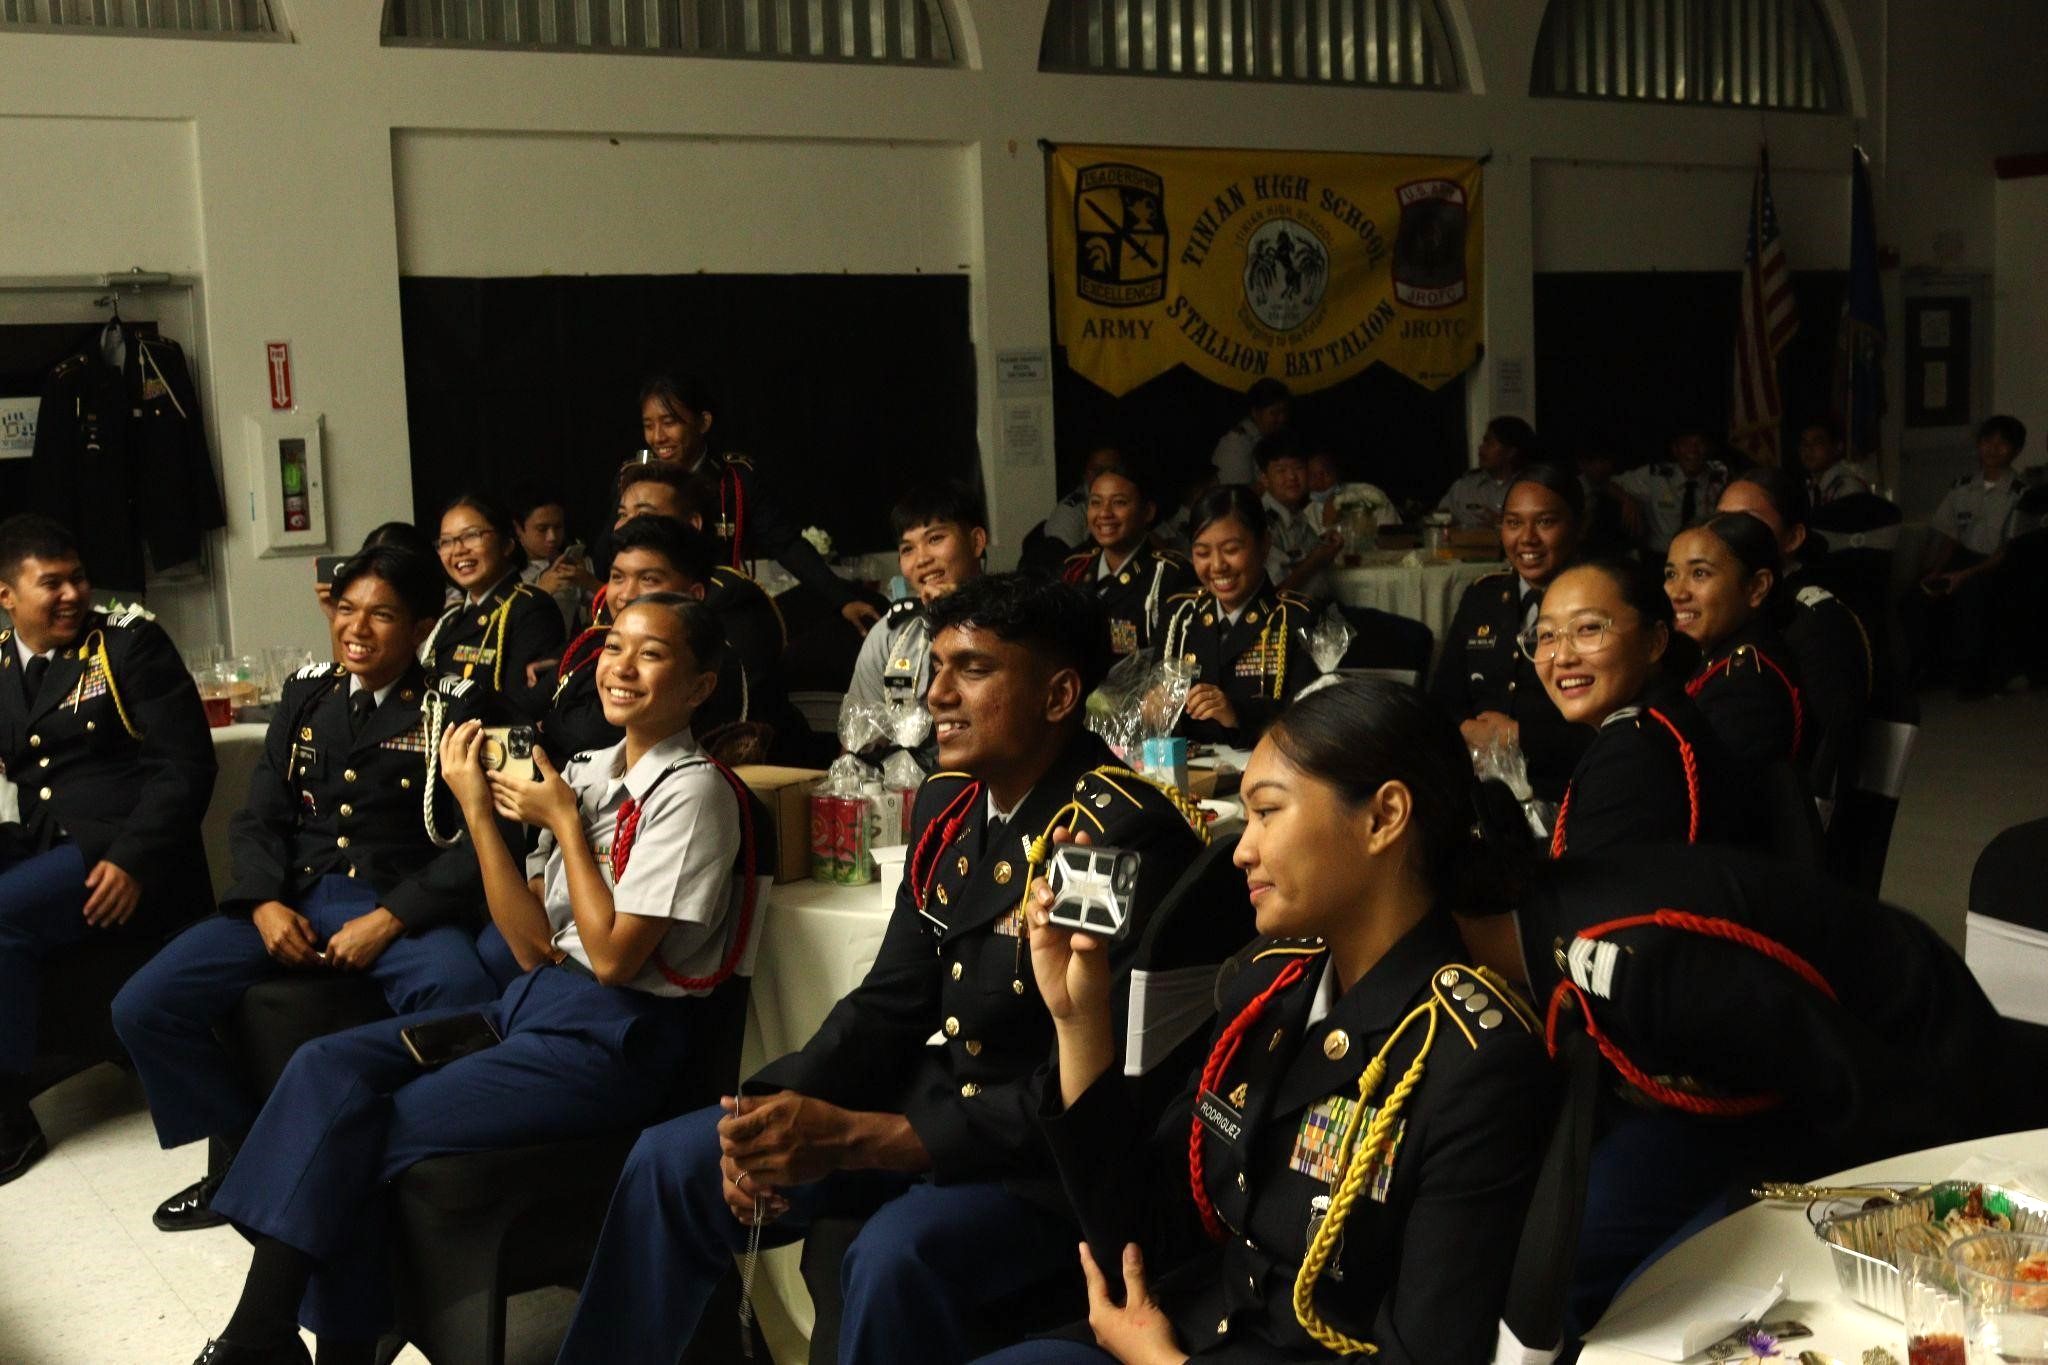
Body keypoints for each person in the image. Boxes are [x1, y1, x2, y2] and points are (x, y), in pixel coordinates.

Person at [553, 573, 1208, 1365]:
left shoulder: (1113, 835)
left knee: (893, 1253)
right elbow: (890, 1002)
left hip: (1049, 1165)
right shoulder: (950, 803)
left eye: (971, 669)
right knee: (675, 1158)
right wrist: (769, 1108)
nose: (936, 695)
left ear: (1060, 693)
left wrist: (871, 1138)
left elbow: (1099, 1092)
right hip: (939, 1105)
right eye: (935, 668)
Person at [188, 594, 759, 1365]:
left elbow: (618, 957)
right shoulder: (586, 771)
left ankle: (306, 1344)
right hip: (535, 1003)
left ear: (697, 686)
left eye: (651, 654)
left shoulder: (694, 790)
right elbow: (529, 946)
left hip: (615, 1038)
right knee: (324, 1065)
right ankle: (265, 1331)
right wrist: (482, 815)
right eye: (614, 647)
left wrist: (560, 823)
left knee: (363, 1127)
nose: (620, 667)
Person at [973, 680, 1551, 1364]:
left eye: (1266, 813)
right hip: (1190, 1323)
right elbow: (1143, 1231)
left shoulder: (1473, 1061)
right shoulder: (1268, 986)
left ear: (1384, 816)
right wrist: (1078, 1021)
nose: (1242, 850)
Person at [1463, 843, 2018, 1338]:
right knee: (1552, 1265)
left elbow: (1857, 1084)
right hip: (1744, 1089)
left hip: (1902, 1078)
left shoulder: (1635, 960)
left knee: (1653, 1311)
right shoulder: (1545, 936)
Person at [112, 545, 500, 1232]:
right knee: (144, 1004)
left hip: (400, 902)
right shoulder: (308, 692)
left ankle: (414, 1174)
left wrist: (390, 918)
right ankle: (248, 1156)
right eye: (346, 609)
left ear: (419, 627)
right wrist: (262, 902)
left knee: (461, 996)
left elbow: (482, 842)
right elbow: (260, 814)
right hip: (292, 893)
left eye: (381, 614)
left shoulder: (457, 704)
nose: (356, 627)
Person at [0, 513, 217, 1185]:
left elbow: (186, 766)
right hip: (47, 842)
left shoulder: (128, 645)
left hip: (118, 853)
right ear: (7, 594)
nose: (71, 594)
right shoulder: (5, 662)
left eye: (79, 578)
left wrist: (133, 859)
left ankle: (7, 1116)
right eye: (51, 583)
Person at [545, 515, 802, 767]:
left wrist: (550, 723)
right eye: (617, 577)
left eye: (648, 579)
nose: (626, 595)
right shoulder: (599, 640)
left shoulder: (706, 658)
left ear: (693, 595)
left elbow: (594, 734)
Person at [639, 370, 881, 635]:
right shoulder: (636, 482)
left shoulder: (735, 479)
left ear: (703, 422)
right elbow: (609, 554)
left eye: (669, 422)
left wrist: (841, 598)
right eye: (649, 425)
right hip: (649, 612)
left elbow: (785, 543)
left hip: (718, 615)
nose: (657, 437)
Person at [1530, 560, 1742, 857]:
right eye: (1547, 635)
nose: (1562, 657)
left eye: (1589, 628)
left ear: (1655, 641)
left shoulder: (1633, 753)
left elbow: (1593, 895)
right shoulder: (1657, 718)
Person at [1432, 463, 1592, 803]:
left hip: (1567, 788)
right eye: (1513, 523)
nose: (1527, 538)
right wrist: (1466, 729)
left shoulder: (1599, 605)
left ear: (1578, 526)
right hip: (1478, 789)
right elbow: (1443, 700)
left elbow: (1612, 725)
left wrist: (1519, 737)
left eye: (1546, 522)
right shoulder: (1482, 597)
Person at [1716, 471, 1872, 802]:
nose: (1726, 534)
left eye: (1747, 520)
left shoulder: (1814, 619)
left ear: (1793, 537)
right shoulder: (1723, 610)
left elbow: (1827, 751)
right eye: (1720, 519)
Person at [1159, 486, 1321, 748]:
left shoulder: (1297, 618)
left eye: (1231, 549)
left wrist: (1238, 715)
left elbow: (1312, 721)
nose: (1218, 565)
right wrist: (1153, 710)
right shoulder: (1180, 614)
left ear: (1264, 545)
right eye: (1202, 553)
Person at [841, 482, 987, 769]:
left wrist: (956, 611)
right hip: (908, 796)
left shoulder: (1013, 621)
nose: (922, 559)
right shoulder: (892, 635)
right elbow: (858, 744)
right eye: (908, 548)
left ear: (976, 541)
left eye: (935, 539)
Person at [1665, 513, 1805, 770]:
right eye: (1671, 574)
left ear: (1757, 587)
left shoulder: (1747, 685)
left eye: (1699, 573)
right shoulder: (1723, 657)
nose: (1677, 592)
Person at [1907, 414, 2029, 698]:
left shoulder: (2021, 492)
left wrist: (1965, 575)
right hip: (1962, 558)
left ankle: (1972, 678)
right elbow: (1951, 536)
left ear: (2016, 450)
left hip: (1997, 565)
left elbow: (2008, 549)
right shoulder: (1962, 486)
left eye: (2002, 444)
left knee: (1972, 594)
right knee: (1917, 596)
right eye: (1987, 442)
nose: (1993, 449)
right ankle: (1925, 672)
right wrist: (1936, 572)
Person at [421, 493, 567, 724]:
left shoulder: (530, 607)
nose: (458, 550)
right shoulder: (450, 617)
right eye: (447, 541)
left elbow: (528, 704)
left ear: (507, 544)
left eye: (471, 536)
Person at [1059, 458, 1194, 657]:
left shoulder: (1169, 575)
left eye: (1119, 502)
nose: (1104, 513)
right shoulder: (1075, 568)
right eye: (1096, 502)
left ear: (1147, 512)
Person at [1614, 427, 1732, 554]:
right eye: (1685, 444)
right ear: (1675, 449)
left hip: (1702, 555)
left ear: (1709, 448)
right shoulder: (1656, 476)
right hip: (1659, 557)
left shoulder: (1720, 476)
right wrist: (1627, 500)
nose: (1693, 450)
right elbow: (1606, 482)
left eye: (1700, 443)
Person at [1258, 430, 1342, 601]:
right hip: (1289, 619)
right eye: (1281, 470)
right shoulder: (1262, 520)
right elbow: (1275, 595)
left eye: (1298, 468)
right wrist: (1316, 560)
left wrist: (1326, 546)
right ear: (1265, 479)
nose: (1291, 477)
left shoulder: (1296, 514)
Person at [510, 479, 597, 632]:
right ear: (518, 529)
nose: (552, 537)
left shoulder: (576, 563)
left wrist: (589, 581)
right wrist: (541, 591)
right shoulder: (503, 568)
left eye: (558, 527)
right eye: (542, 529)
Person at [1437, 416, 1535, 531]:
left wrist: (1502, 522)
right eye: (1484, 441)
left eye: (1489, 443)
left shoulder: (1532, 487)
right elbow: (1438, 520)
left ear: (1511, 452)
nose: (1481, 447)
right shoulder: (1464, 487)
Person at [1041, 441, 1124, 556]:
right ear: (1084, 473)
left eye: (1113, 470)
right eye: (1097, 470)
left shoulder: (1130, 504)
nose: (1104, 476)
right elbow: (1064, 565)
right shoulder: (1069, 512)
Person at [1211, 377, 1291, 488]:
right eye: (1274, 413)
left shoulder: (1273, 440)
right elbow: (1237, 494)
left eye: (1284, 412)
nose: (1281, 419)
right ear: (1255, 412)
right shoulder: (1236, 443)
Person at [1795, 419, 1871, 507]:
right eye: (1804, 443)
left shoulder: (1848, 488)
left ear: (1837, 447)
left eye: (1817, 442)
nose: (1808, 449)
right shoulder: (1812, 488)